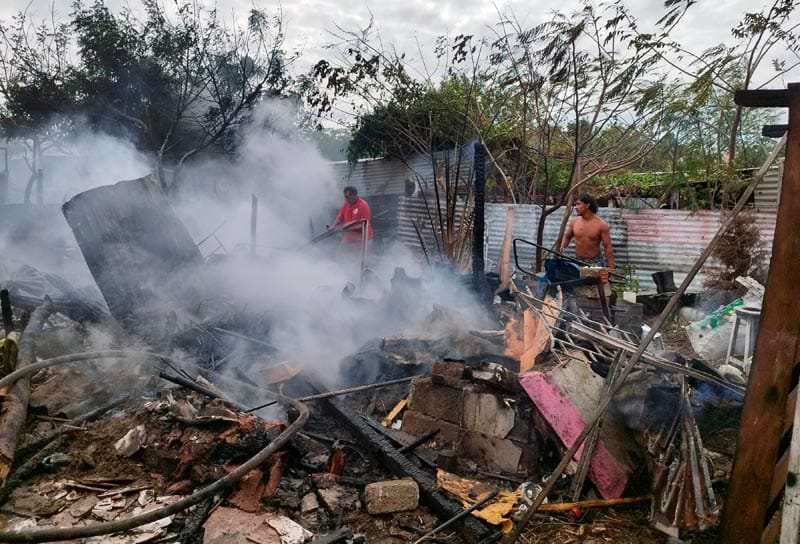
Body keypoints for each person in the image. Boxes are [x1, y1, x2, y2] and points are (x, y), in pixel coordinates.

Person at [559, 194, 615, 270]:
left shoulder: (601, 224)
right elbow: (567, 236)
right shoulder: (574, 222)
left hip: (595, 262)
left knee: (594, 281)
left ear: (587, 205)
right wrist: (562, 247)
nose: (575, 207)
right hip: (578, 261)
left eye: (578, 204)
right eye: (575, 205)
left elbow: (608, 247)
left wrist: (611, 269)